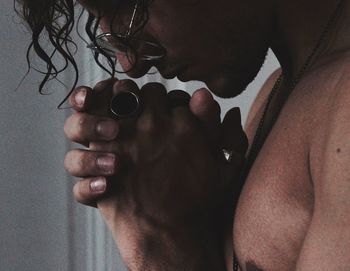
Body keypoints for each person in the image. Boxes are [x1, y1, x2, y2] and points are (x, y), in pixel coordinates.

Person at [16, 0, 350, 270]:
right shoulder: (277, 95)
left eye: (130, 5)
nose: (130, 62)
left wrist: (157, 241)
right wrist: (196, 220)